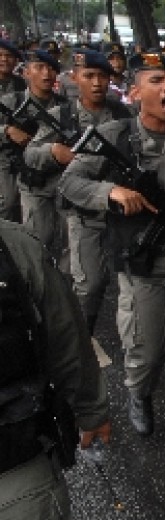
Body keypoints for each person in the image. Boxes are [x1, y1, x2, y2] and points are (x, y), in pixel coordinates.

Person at [59, 52, 165, 446]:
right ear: (134, 92)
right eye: (155, 81)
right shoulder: (115, 136)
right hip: (139, 262)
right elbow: (70, 182)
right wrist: (110, 191)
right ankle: (139, 394)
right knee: (145, 347)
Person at [0, 218, 111, 520]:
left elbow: (65, 338)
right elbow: (66, 341)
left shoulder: (15, 247)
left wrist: (92, 411)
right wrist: (91, 411)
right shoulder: (13, 245)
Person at [24, 49, 132, 335]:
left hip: (120, 207)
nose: (97, 82)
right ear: (74, 78)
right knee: (91, 283)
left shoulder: (123, 113)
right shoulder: (62, 115)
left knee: (129, 280)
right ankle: (78, 339)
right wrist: (53, 151)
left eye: (103, 76)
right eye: (89, 76)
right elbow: (30, 154)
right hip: (81, 208)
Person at [5, 49, 68, 251]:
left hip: (51, 176)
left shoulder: (64, 107)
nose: (46, 74)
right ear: (26, 72)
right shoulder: (11, 102)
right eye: (39, 67)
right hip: (11, 167)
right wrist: (6, 130)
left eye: (51, 68)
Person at [0, 39, 25, 221]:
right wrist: (6, 130)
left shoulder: (22, 85)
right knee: (7, 204)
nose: (4, 59)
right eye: (0, 55)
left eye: (9, 56)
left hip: (20, 152)